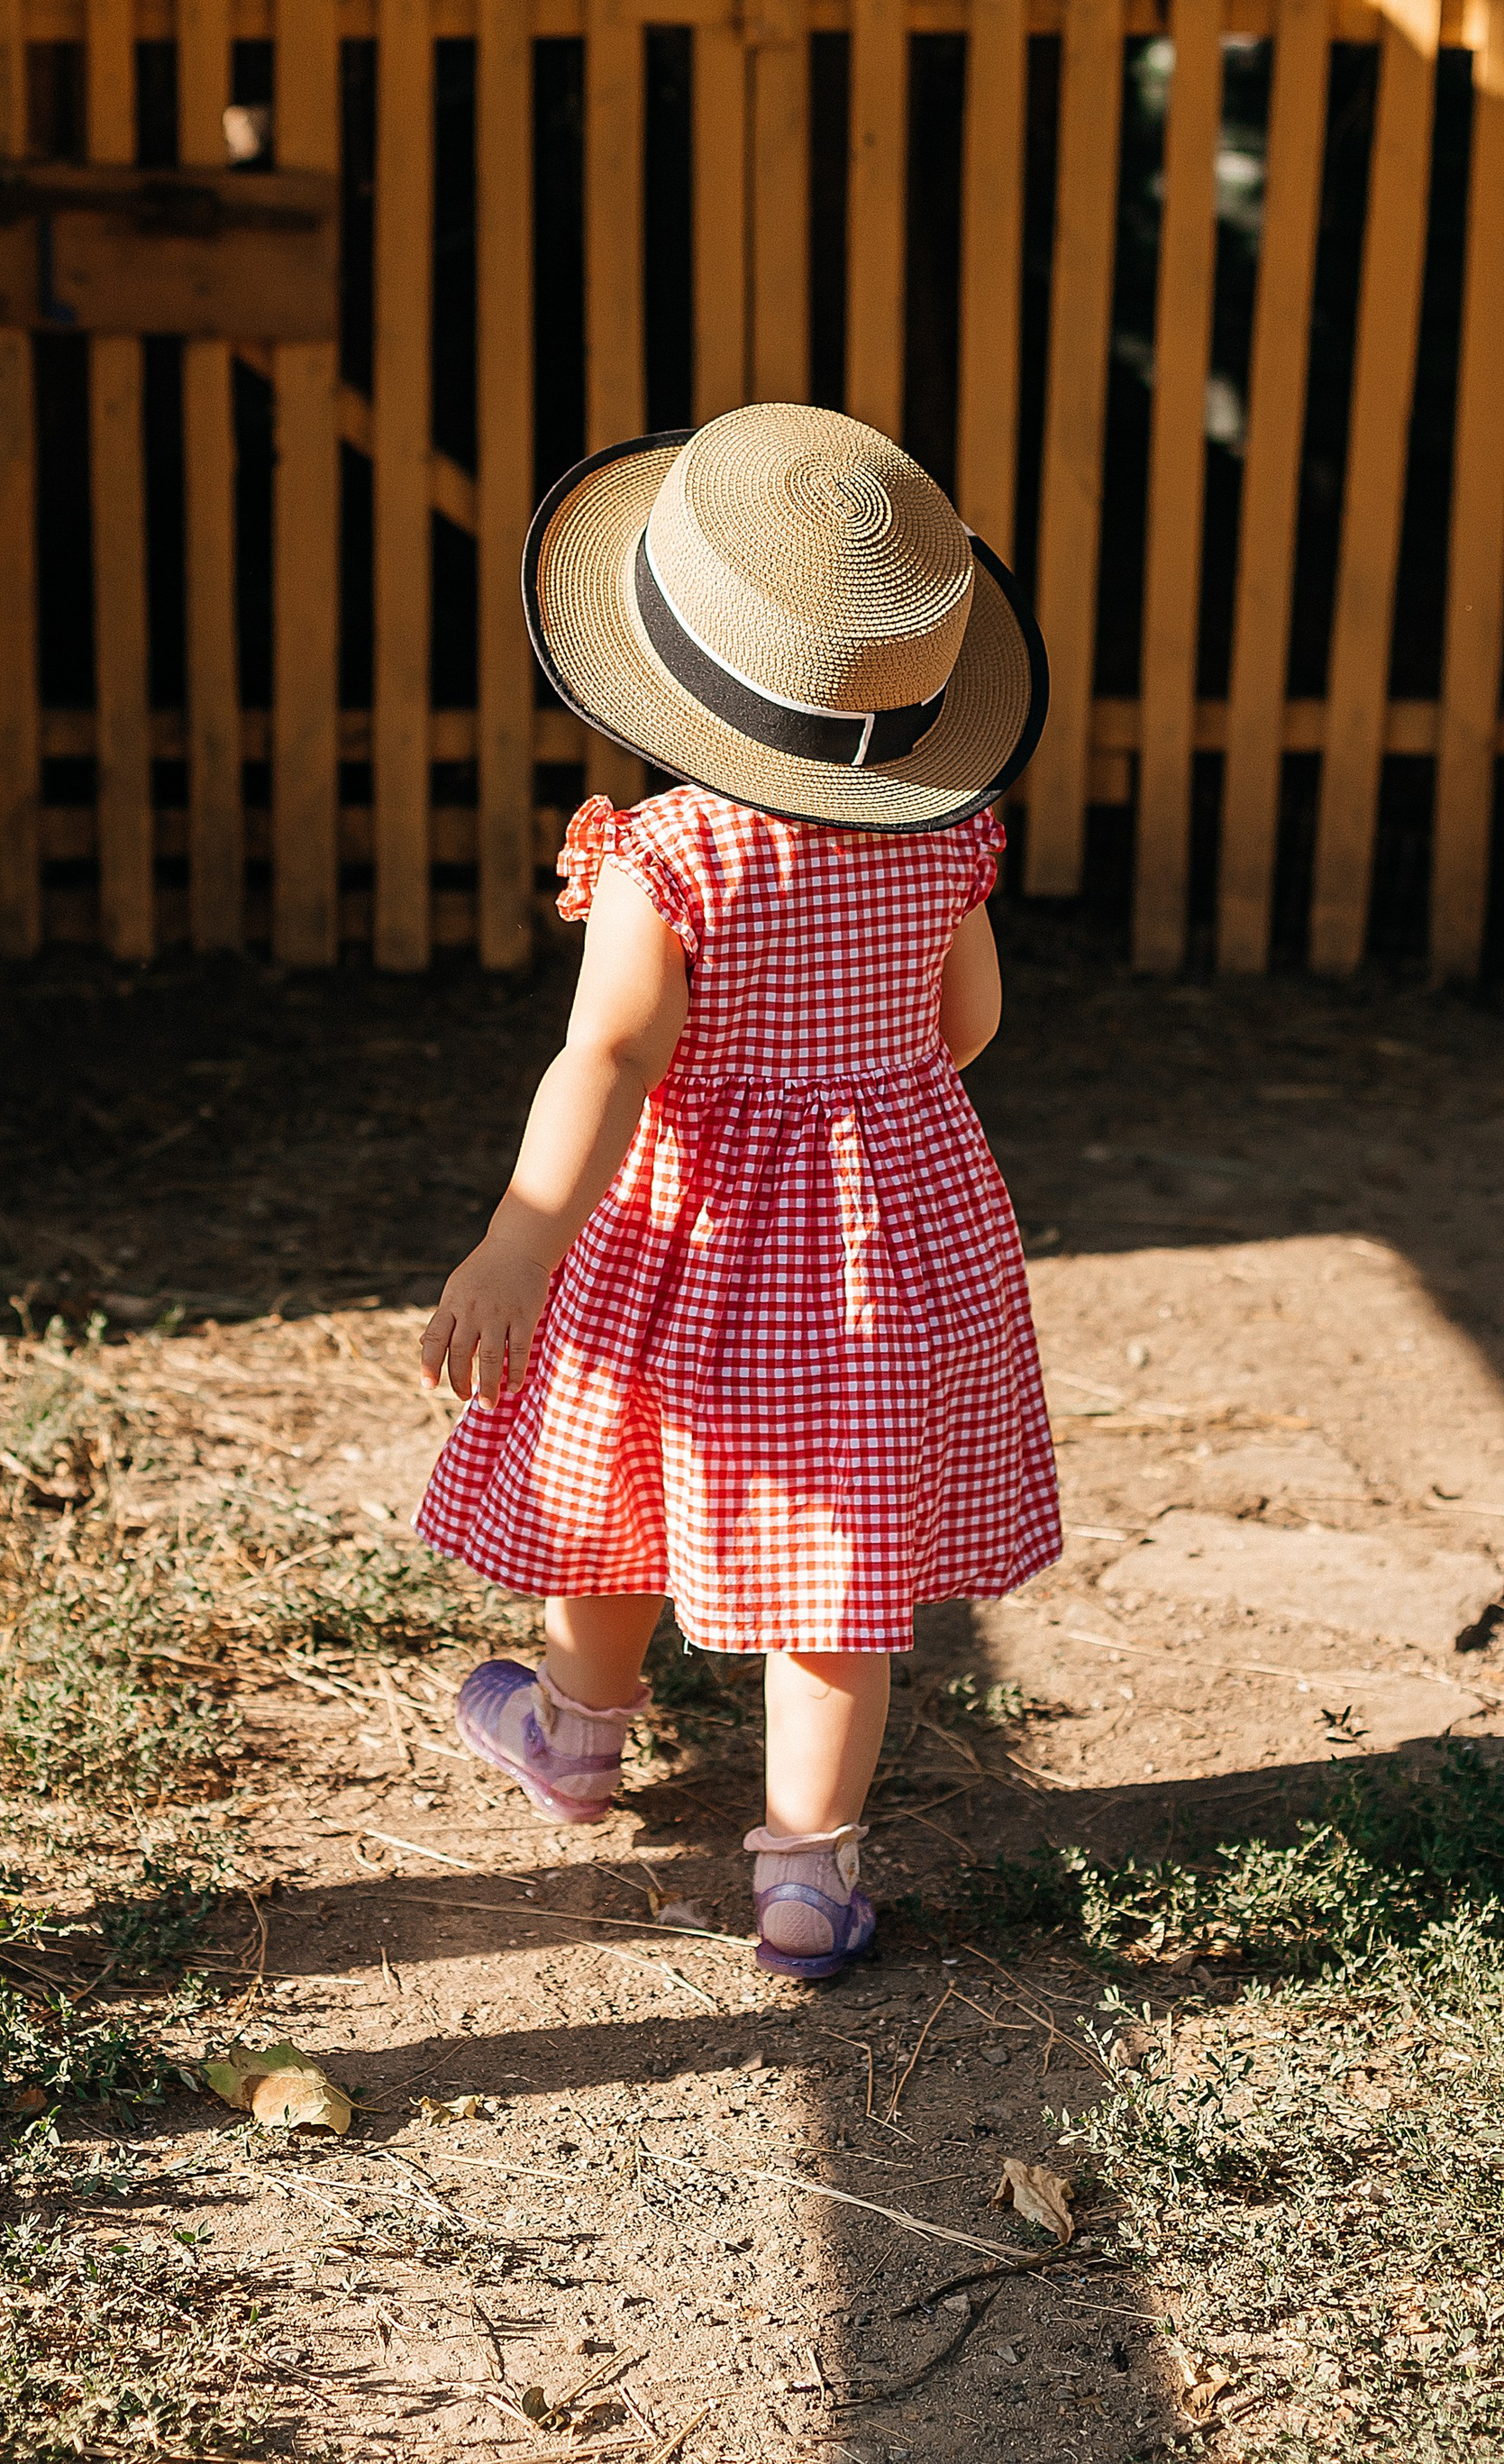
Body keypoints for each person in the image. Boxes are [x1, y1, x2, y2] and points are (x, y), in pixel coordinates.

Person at [415, 402, 1058, 1983]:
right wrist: (860, 1104)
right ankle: (806, 1881)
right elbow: (965, 1028)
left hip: (684, 1232)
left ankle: (574, 1734)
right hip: (885, 1239)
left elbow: (609, 1062)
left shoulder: (665, 852)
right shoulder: (944, 837)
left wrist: (514, 1245)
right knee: (840, 1559)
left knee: (623, 1472)